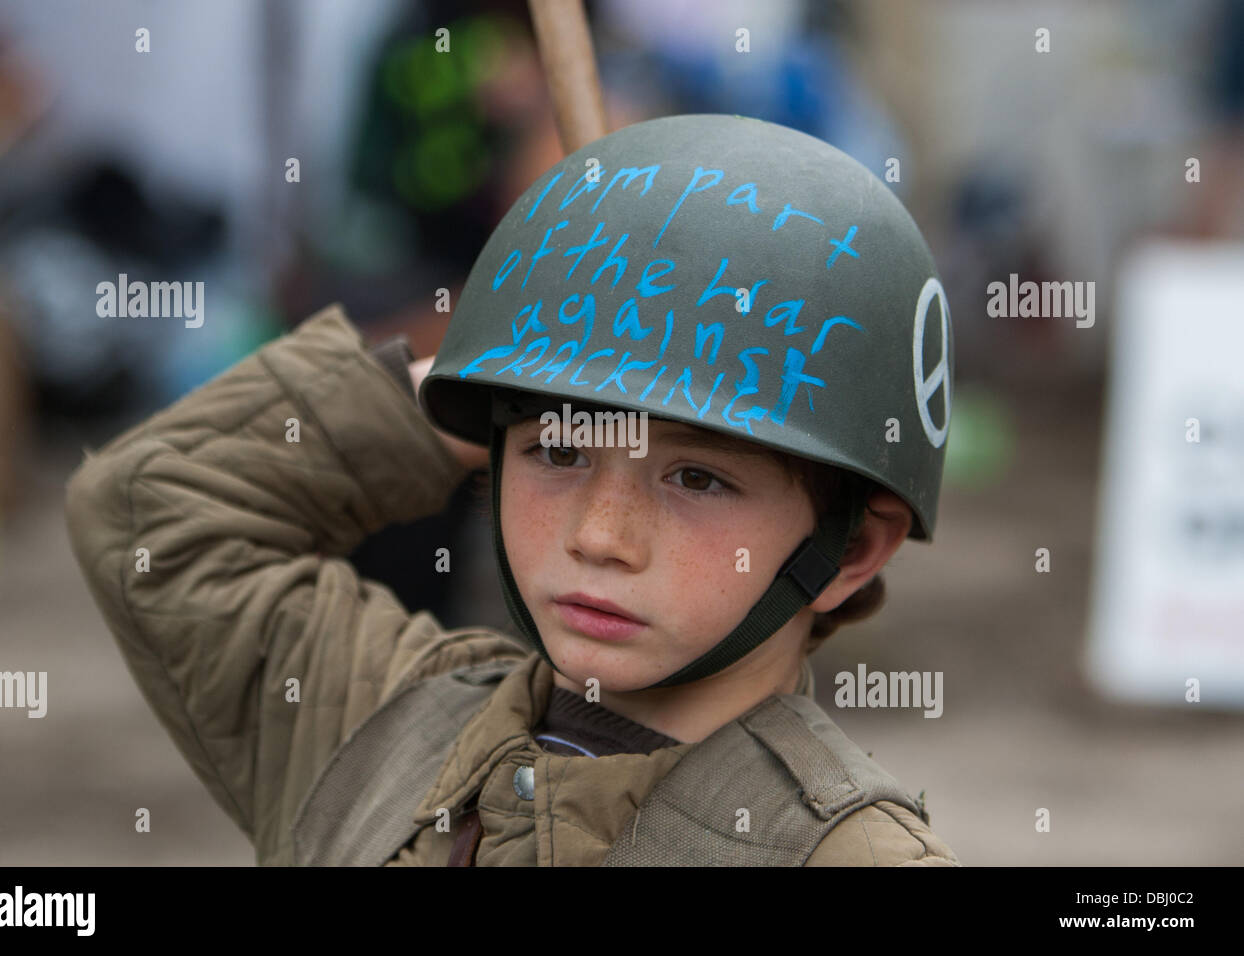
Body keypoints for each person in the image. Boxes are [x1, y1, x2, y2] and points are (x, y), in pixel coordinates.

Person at [65, 113, 959, 866]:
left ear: (850, 547)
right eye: (559, 453)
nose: (601, 536)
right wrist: (475, 373)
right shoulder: (379, 722)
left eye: (698, 476)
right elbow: (152, 512)